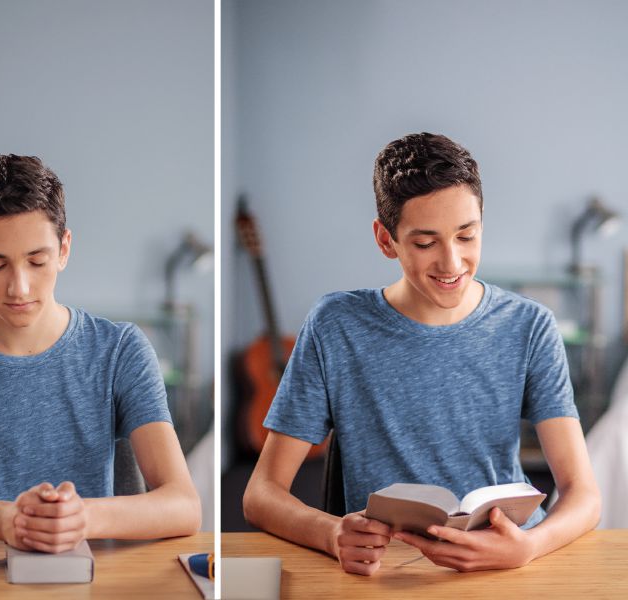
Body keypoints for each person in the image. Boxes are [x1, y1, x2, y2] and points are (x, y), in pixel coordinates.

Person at [242, 132, 600, 574]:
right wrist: (331, 533)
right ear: (385, 239)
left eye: (466, 236)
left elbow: (583, 494)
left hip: (505, 562)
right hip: (387, 568)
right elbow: (261, 495)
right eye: (426, 243)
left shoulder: (530, 326)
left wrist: (528, 546)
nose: (452, 263)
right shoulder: (336, 325)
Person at [0, 154, 201, 553]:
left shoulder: (120, 350)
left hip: (92, 580)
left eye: (37, 261)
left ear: (64, 249)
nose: (19, 288)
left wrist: (83, 518)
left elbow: (184, 505)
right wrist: (5, 520)